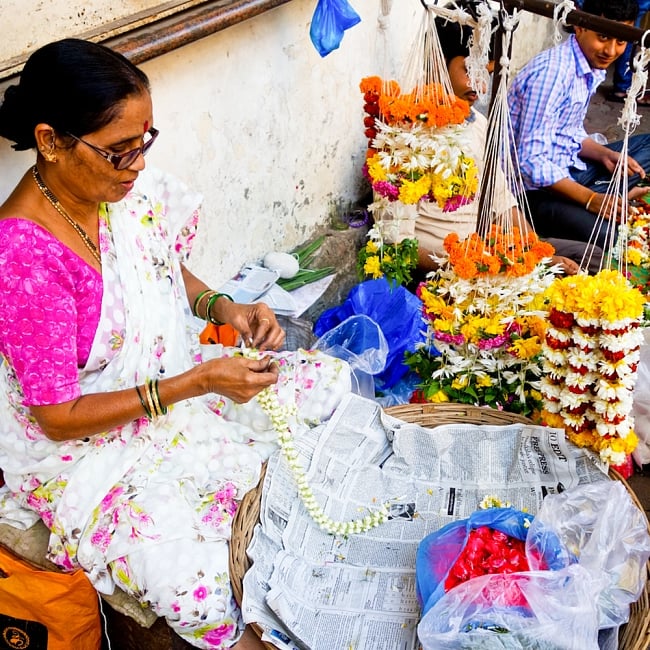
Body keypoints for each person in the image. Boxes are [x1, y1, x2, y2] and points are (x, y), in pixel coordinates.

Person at [0, 39, 351, 650]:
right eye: (118, 151)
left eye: (145, 142)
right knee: (194, 581)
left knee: (324, 383)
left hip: (172, 386)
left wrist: (226, 307)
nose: (136, 165)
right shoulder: (24, 258)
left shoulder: (117, 192)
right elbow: (56, 418)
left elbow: (162, 267)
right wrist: (199, 383)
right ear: (51, 141)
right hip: (88, 450)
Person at [415, 14, 602, 276]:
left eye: (486, 75)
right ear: (437, 62)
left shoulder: (477, 122)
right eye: (470, 72)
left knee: (591, 257)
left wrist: (533, 252)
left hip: (490, 250)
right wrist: (475, 265)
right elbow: (396, 244)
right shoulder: (403, 135)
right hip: (451, 266)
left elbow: (501, 199)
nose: (479, 88)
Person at [508, 0, 650, 249]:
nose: (611, 50)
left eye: (620, 41)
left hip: (567, 166)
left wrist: (605, 154)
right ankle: (609, 196)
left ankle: (612, 194)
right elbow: (530, 162)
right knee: (609, 236)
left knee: (647, 146)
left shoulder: (587, 63)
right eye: (603, 37)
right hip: (530, 193)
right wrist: (590, 199)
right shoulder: (552, 74)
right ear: (580, 27)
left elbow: (568, 132)